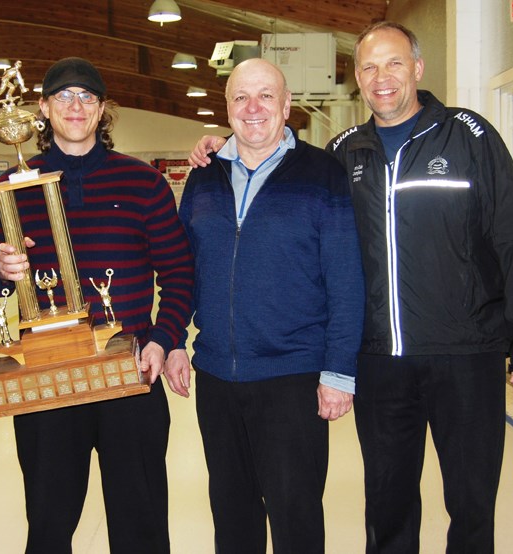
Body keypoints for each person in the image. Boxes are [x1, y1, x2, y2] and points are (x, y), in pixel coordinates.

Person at [189, 21, 513, 554]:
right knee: (387, 503)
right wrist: (219, 147)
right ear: (357, 77)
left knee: (473, 501)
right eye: (368, 67)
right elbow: (280, 162)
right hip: (381, 361)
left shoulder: (469, 136)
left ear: (418, 69)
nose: (381, 78)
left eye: (394, 63)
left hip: (466, 352)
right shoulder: (341, 153)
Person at [0, 57, 194, 553]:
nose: (76, 106)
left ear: (102, 111)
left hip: (130, 374)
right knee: (49, 525)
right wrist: (1, 269)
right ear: (43, 108)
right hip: (49, 380)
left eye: (87, 97)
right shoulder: (10, 189)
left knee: (140, 524)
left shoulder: (144, 184)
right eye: (64, 97)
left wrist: (164, 339)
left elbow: (180, 272)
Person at [174, 57, 365, 553]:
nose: (253, 107)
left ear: (285, 107)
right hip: (217, 377)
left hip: (293, 378)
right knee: (231, 515)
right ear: (227, 107)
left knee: (295, 514)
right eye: (240, 97)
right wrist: (173, 341)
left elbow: (346, 279)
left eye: (265, 96)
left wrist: (339, 373)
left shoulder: (322, 174)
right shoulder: (203, 176)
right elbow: (182, 271)